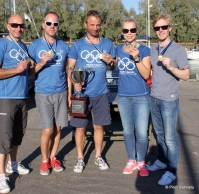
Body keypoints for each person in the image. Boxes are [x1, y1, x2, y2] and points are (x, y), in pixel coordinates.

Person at [67, 10, 116, 173]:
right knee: (80, 128)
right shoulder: (77, 45)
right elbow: (70, 68)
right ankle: (80, 158)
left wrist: (110, 62)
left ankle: (98, 156)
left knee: (99, 127)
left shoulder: (108, 43)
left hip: (101, 93)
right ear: (85, 25)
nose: (95, 28)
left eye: (98, 25)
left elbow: (113, 66)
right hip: (81, 95)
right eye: (92, 24)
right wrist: (74, 85)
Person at [0, 14, 32, 193]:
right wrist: (17, 69)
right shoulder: (0, 45)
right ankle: (0, 177)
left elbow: (26, 71)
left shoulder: (22, 46)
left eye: (21, 26)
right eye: (15, 25)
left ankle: (12, 164)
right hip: (7, 98)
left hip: (21, 98)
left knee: (17, 136)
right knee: (4, 139)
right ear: (8, 26)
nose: (18, 28)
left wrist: (38, 64)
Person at [147, 14, 190, 185]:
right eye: (157, 28)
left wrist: (171, 67)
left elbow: (186, 75)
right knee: (159, 134)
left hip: (169, 99)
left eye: (164, 27)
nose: (161, 31)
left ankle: (172, 170)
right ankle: (162, 160)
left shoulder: (178, 50)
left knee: (170, 137)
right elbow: (151, 72)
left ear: (170, 28)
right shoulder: (153, 49)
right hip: (154, 97)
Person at [28, 11, 69, 176]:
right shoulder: (35, 45)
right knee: (47, 130)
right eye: (49, 23)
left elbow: (68, 70)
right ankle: (44, 161)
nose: (52, 27)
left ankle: (53, 157)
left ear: (58, 26)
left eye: (55, 24)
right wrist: (42, 62)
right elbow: (30, 72)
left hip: (61, 91)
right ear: (43, 25)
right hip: (43, 92)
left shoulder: (64, 46)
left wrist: (70, 93)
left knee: (58, 129)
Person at [115, 18, 151, 177]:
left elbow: (146, 74)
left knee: (142, 133)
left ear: (136, 31)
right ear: (122, 32)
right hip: (123, 96)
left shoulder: (144, 50)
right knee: (128, 131)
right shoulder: (118, 50)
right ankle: (131, 160)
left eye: (132, 30)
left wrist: (136, 58)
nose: (129, 34)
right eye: (126, 31)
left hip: (141, 96)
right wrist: (109, 62)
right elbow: (113, 66)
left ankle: (141, 161)